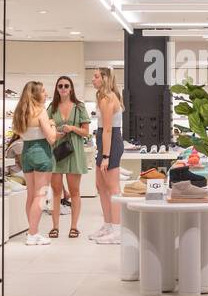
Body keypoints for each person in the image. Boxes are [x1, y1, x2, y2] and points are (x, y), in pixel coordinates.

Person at [12, 81, 57, 246]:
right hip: (41, 153)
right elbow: (51, 138)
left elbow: (19, 134)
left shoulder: (20, 113)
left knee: (31, 194)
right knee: (41, 194)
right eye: (44, 91)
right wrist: (52, 125)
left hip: (26, 153)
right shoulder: (40, 111)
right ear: (36, 94)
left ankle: (32, 230)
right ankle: (33, 233)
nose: (46, 94)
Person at [47, 75, 91, 239]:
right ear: (57, 89)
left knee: (74, 191)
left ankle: (74, 226)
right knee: (56, 190)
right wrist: (55, 133)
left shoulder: (79, 107)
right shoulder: (52, 107)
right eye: (60, 86)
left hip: (74, 151)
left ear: (71, 88)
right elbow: (46, 130)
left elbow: (86, 132)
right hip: (57, 151)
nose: (63, 89)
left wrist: (72, 128)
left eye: (66, 86)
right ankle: (55, 226)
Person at [90, 66, 124, 245]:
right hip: (105, 143)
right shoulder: (103, 97)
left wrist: (105, 156)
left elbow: (109, 129)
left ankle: (118, 230)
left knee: (112, 188)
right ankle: (108, 225)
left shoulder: (108, 98)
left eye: (96, 76)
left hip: (110, 143)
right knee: (100, 186)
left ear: (104, 78)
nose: (93, 79)